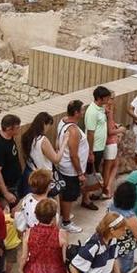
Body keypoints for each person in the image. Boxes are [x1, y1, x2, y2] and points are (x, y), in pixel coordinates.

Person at [56, 100, 89, 233]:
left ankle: (65, 214)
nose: (83, 112)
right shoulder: (74, 131)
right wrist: (80, 173)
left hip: (62, 165)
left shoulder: (63, 121)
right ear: (76, 113)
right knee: (69, 196)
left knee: (65, 194)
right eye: (81, 110)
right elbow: (74, 155)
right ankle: (66, 222)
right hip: (70, 170)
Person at [84, 86, 112, 199]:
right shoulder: (92, 111)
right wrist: (90, 151)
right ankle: (86, 197)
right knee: (90, 173)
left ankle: (92, 193)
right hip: (94, 148)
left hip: (100, 147)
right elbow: (90, 133)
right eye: (106, 98)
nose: (108, 100)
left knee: (95, 172)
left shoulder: (100, 108)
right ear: (100, 98)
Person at [20, 112, 63, 183]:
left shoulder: (26, 136)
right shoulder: (43, 140)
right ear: (44, 124)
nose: (48, 129)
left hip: (33, 173)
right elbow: (56, 159)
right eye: (49, 125)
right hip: (45, 176)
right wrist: (64, 142)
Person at [0, 114, 22, 205]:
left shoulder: (10, 137)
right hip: (8, 186)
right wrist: (6, 193)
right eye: (17, 127)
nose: (19, 129)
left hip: (16, 180)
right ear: (8, 129)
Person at [101, 92, 127, 198]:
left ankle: (107, 187)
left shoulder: (103, 110)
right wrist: (121, 129)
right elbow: (110, 131)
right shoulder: (108, 111)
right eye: (111, 98)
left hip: (108, 142)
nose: (112, 101)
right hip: (110, 142)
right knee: (108, 167)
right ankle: (106, 189)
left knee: (114, 164)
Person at [0, 199, 21, 273]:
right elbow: (18, 230)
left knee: (1, 258)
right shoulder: (13, 219)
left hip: (2, 244)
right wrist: (19, 237)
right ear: (7, 208)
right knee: (10, 260)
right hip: (12, 244)